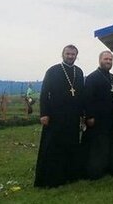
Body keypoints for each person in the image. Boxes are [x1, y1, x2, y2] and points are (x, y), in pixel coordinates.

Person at [34, 44, 85, 188]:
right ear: (63, 54)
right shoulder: (53, 71)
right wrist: (44, 113)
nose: (70, 56)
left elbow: (81, 95)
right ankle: (51, 177)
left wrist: (82, 114)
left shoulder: (79, 72)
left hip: (73, 116)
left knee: (71, 145)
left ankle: (69, 175)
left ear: (76, 56)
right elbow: (45, 93)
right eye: (68, 54)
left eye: (73, 54)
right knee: (53, 146)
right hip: (55, 115)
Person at [83, 51, 113, 179]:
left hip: (111, 118)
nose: (109, 61)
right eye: (106, 59)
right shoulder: (92, 78)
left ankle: (110, 168)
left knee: (111, 144)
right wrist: (89, 116)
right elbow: (87, 99)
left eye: (111, 59)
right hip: (98, 118)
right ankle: (96, 171)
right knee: (97, 146)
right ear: (100, 60)